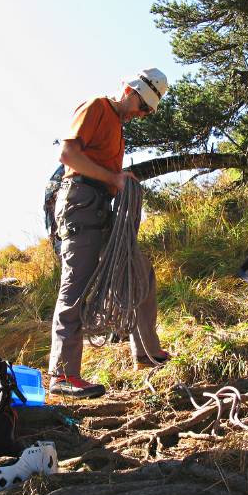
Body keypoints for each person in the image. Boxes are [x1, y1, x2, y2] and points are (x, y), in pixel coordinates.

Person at [48, 68, 171, 399]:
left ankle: (146, 352)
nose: (142, 115)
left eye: (147, 111)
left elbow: (108, 175)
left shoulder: (117, 129)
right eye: (142, 107)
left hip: (101, 207)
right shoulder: (96, 108)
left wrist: (119, 180)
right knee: (75, 287)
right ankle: (62, 374)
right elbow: (68, 154)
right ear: (130, 91)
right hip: (80, 204)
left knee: (139, 272)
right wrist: (113, 179)